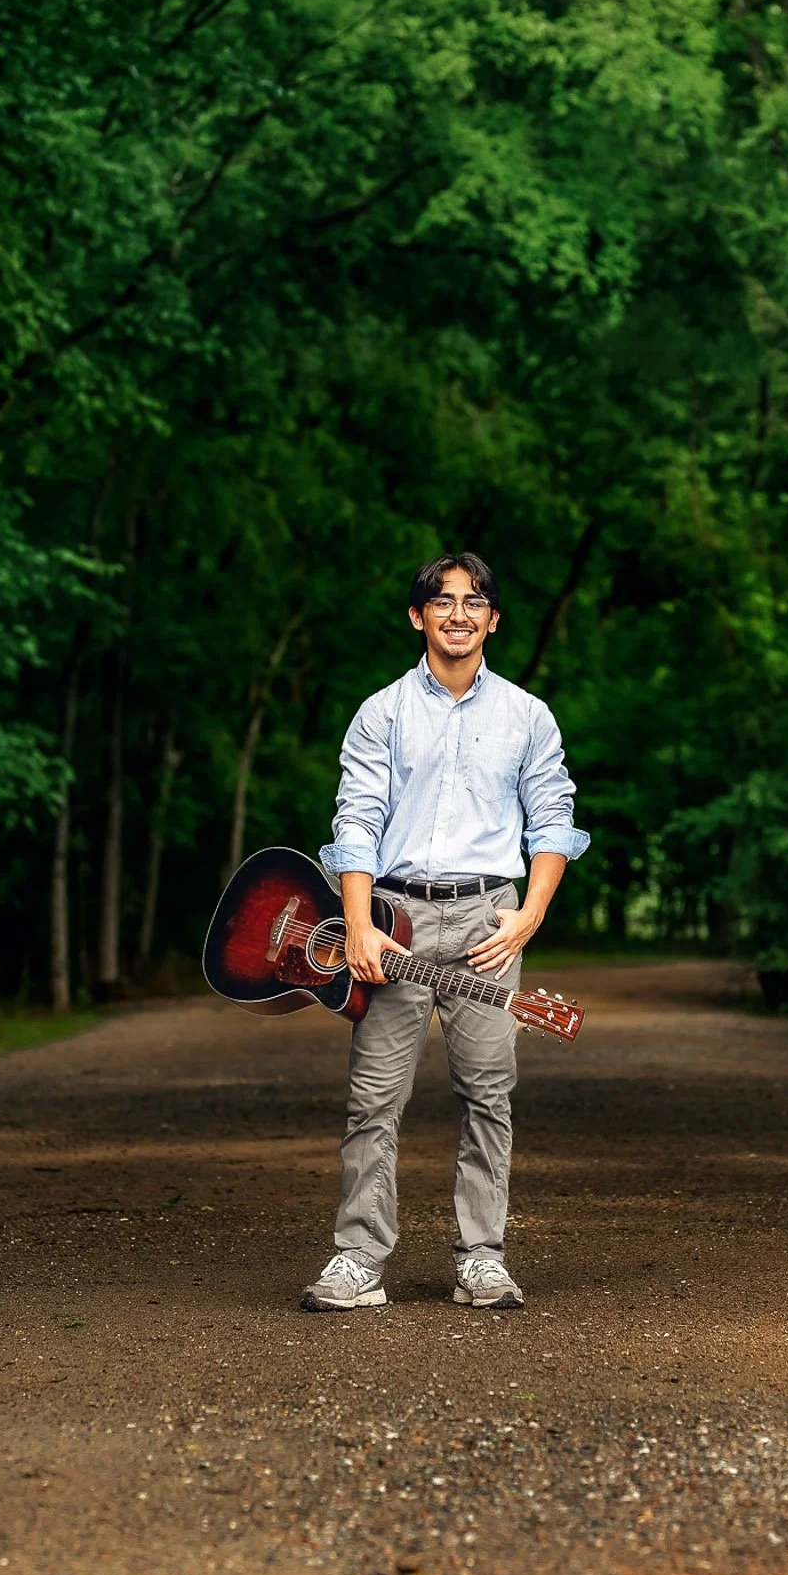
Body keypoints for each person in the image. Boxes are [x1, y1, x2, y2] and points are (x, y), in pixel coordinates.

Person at [302, 552, 588, 1313]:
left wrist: (529, 916)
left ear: (492, 619)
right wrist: (357, 925)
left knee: (488, 1094)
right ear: (417, 616)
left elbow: (553, 819)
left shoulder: (527, 716)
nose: (458, 613)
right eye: (443, 600)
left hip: (488, 919)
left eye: (473, 601)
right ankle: (358, 1259)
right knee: (373, 1099)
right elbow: (356, 821)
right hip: (391, 919)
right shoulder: (382, 713)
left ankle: (482, 1259)